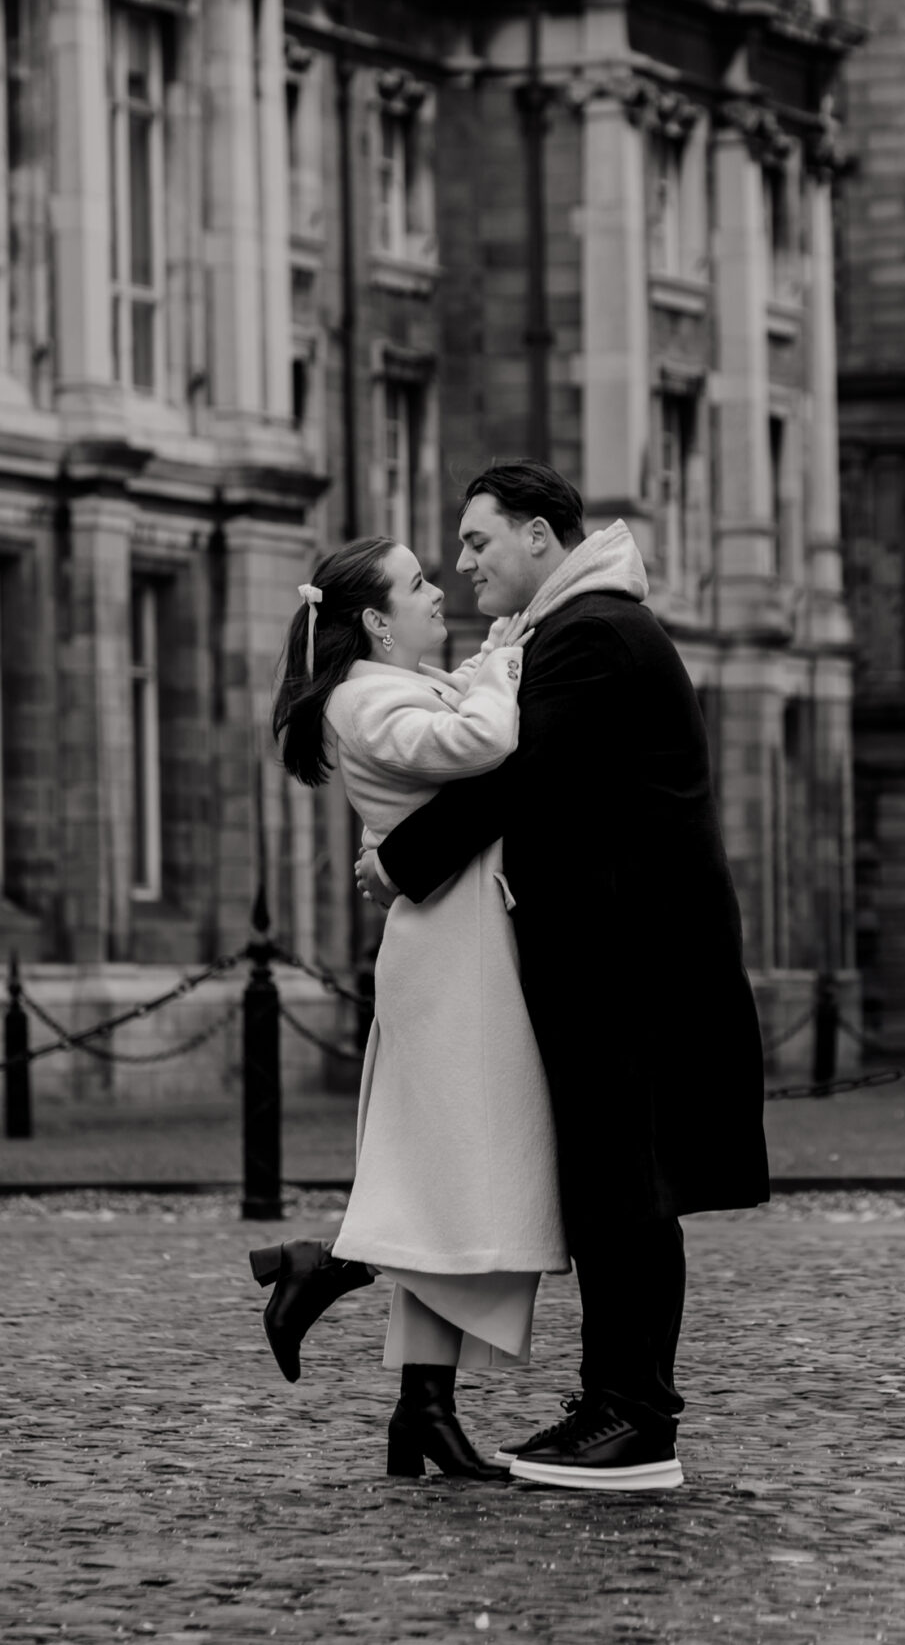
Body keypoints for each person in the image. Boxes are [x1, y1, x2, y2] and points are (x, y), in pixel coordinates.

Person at [356, 459, 769, 1492]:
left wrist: (395, 863)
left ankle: (635, 1419)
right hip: (613, 952)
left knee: (626, 1187)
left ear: (540, 536)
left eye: (477, 540)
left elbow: (519, 775)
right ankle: (610, 1402)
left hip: (629, 958)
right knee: (610, 1184)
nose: (461, 564)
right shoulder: (574, 628)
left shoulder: (590, 634)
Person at [251, 534, 568, 1483]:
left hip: (465, 941)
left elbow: (460, 701)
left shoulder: (396, 685)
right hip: (451, 959)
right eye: (419, 581)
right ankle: (327, 1268)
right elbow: (483, 739)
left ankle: (420, 1409)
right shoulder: (365, 697)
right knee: (460, 1188)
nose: (440, 591)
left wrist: (495, 652)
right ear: (377, 621)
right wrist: (506, 661)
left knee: (459, 1189)